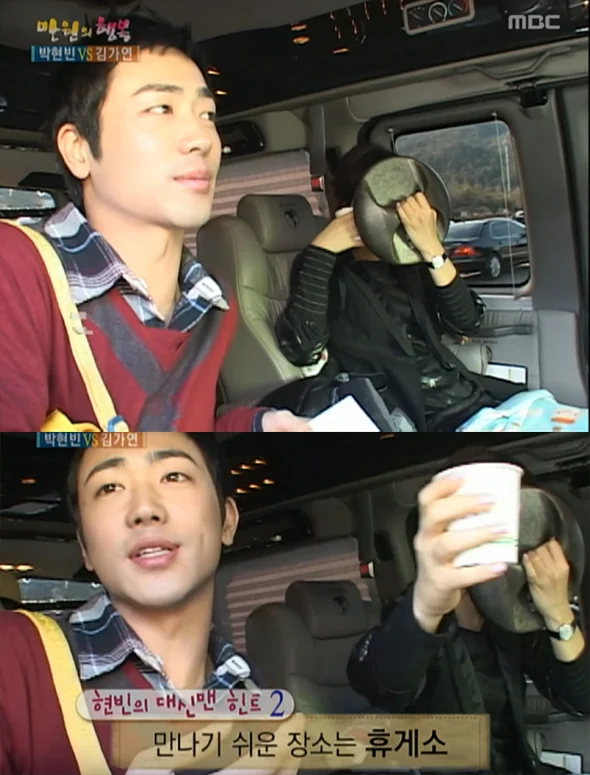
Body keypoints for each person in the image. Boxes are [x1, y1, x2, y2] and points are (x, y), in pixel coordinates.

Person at [0, 11, 309, 433]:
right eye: (161, 108)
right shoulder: (16, 269)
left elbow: (179, 434)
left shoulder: (209, 301)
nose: (202, 139)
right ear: (79, 150)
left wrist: (258, 426)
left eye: (207, 114)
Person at [0, 433, 298, 774]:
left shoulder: (258, 698)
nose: (144, 510)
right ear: (85, 546)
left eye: (174, 476)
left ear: (227, 521)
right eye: (109, 487)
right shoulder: (13, 656)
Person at [276, 143, 588, 432]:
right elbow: (302, 349)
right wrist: (323, 248)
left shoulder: (409, 260)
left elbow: (468, 321)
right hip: (423, 416)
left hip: (472, 398)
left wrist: (433, 250)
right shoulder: (327, 268)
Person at [346, 466, 590, 775]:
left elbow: (581, 701)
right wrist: (426, 610)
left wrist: (558, 613)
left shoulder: (508, 619)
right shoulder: (415, 618)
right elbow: (380, 683)